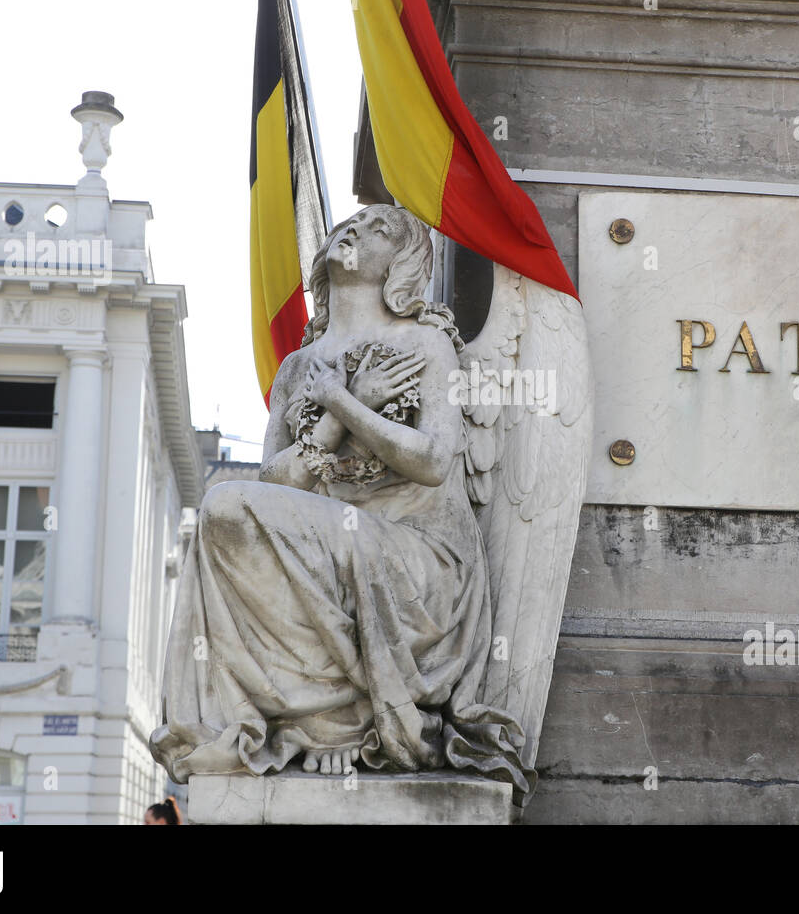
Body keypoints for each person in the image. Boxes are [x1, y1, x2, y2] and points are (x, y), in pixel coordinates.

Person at [149, 206, 531, 798]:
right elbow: (273, 485)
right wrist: (340, 408)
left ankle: (345, 727)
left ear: (402, 263)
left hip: (420, 555)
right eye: (346, 225)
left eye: (379, 228)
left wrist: (347, 405)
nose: (351, 230)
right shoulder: (297, 367)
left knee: (344, 535)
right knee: (223, 512)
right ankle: (319, 720)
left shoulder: (427, 344)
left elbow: (433, 461)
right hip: (340, 536)